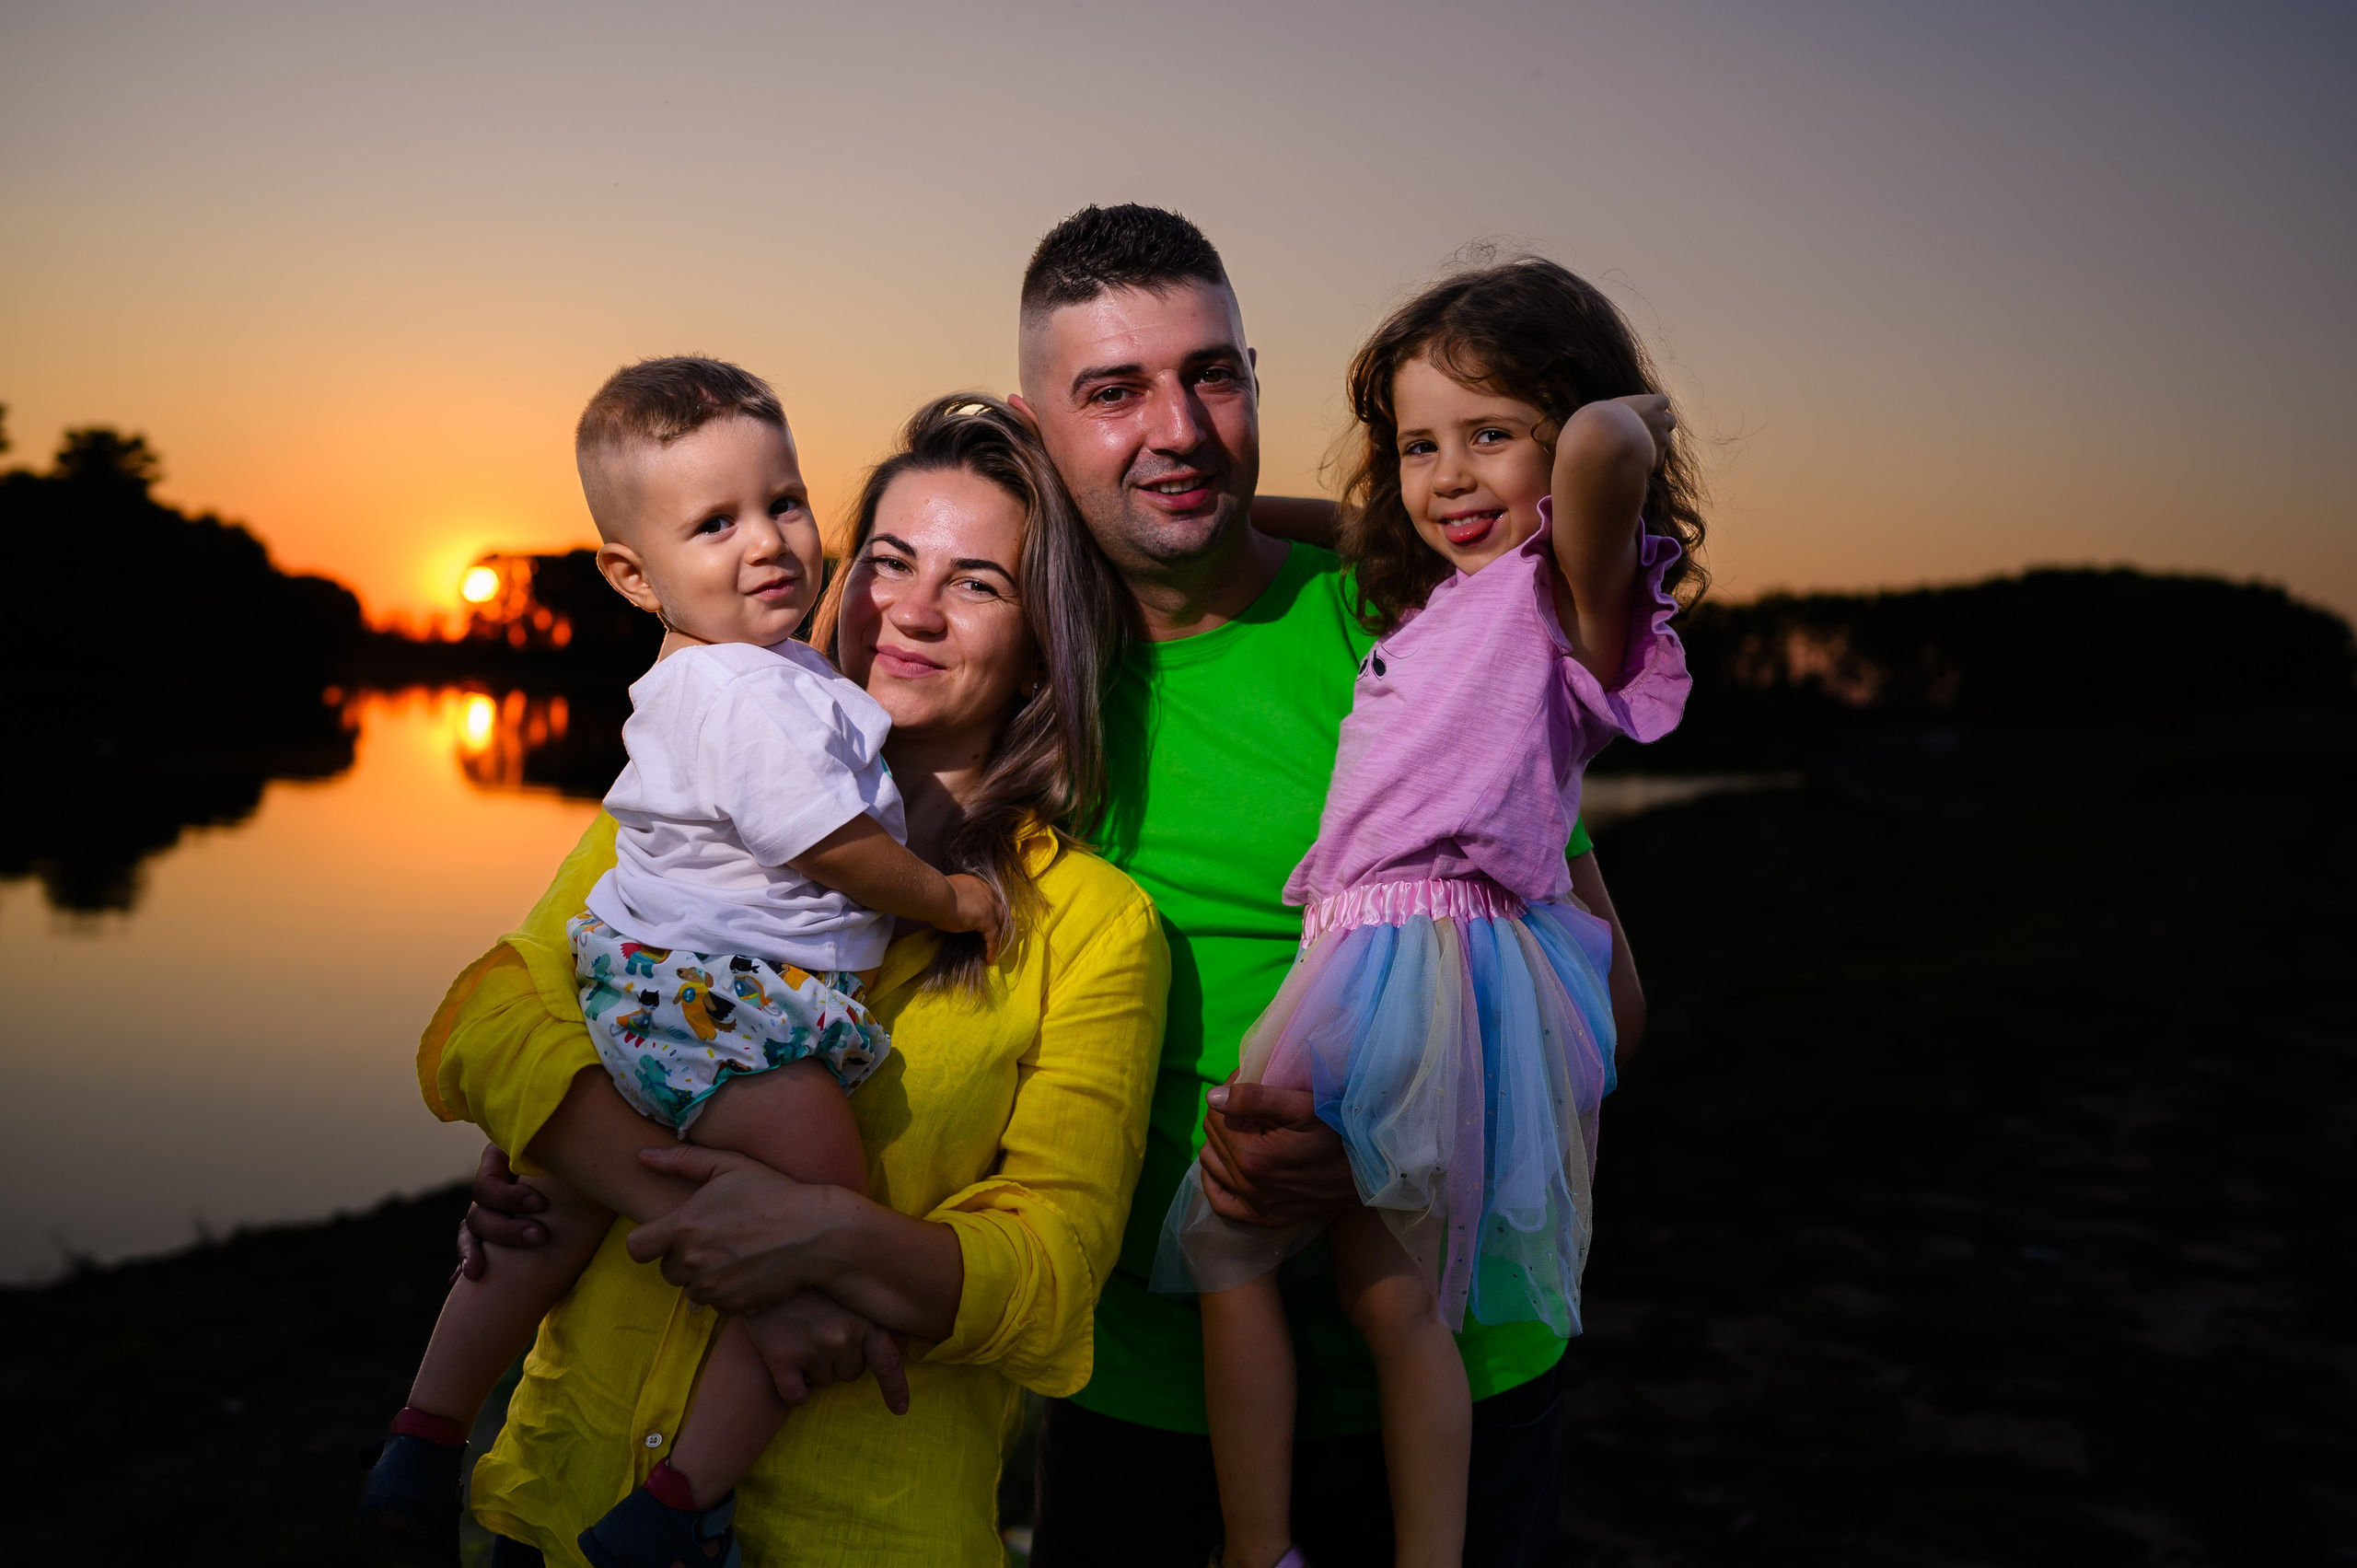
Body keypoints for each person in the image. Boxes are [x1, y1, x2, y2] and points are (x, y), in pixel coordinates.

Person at [1002, 205, 1655, 1567]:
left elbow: (1615, 1008)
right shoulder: (1009, 676)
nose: (1177, 428)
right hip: (1145, 1399)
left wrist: (1376, 1132)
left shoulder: (1419, 621)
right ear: (1037, 424)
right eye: (1114, 391)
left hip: (1447, 1395)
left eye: (1213, 375)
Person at [414, 393, 1167, 1566]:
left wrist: (820, 1239)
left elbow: (1051, 1274)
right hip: (568, 1501)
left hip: (853, 1534)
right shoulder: (687, 808)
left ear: (1042, 644)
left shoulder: (1093, 925)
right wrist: (586, 1147)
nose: (909, 611)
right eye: (888, 561)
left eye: (977, 583)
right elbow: (489, 1018)